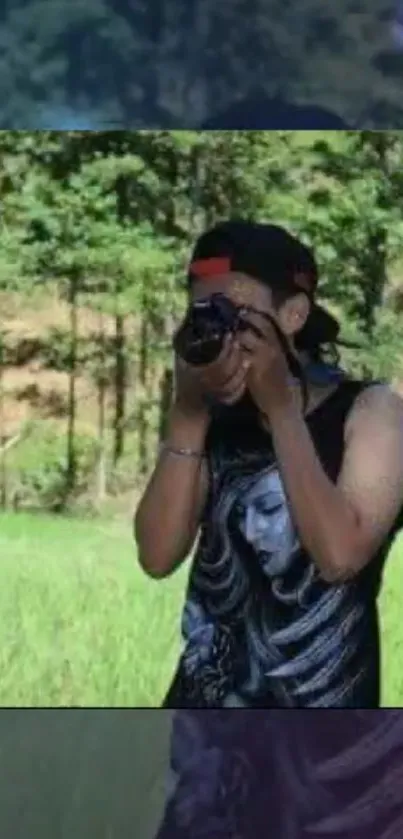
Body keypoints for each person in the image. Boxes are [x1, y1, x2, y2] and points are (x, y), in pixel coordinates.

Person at [135, 219, 403, 709]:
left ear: (294, 313)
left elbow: (341, 556)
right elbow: (156, 556)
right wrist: (189, 412)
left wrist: (282, 410)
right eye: (204, 313)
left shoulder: (372, 411)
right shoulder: (213, 417)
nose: (218, 329)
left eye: (235, 313)